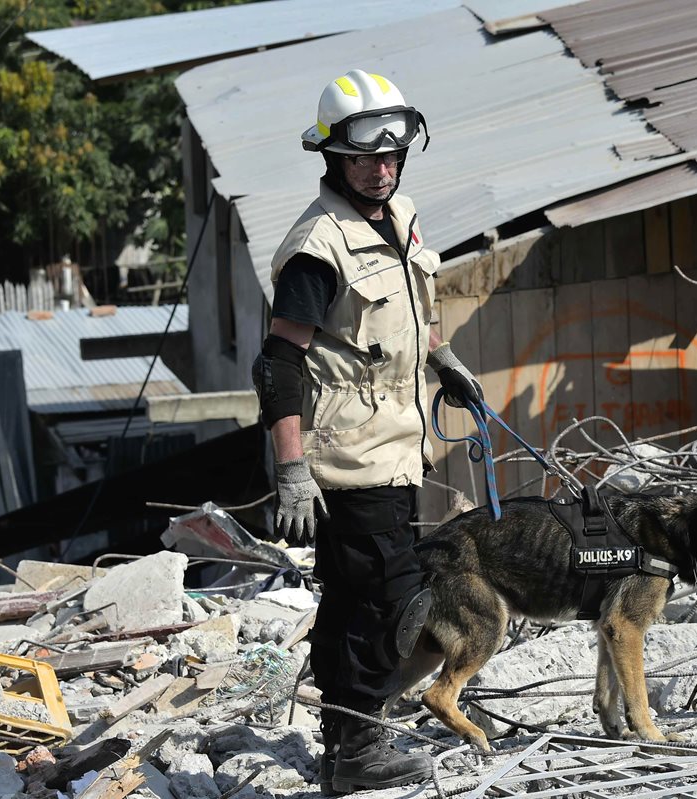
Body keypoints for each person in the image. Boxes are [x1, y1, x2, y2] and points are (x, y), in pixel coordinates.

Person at [251, 69, 483, 794]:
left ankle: (351, 741)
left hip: (399, 448)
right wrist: (291, 468)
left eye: (389, 157)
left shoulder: (400, 214)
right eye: (363, 159)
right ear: (333, 159)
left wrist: (441, 354)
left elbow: (417, 303)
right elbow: (278, 364)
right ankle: (357, 747)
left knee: (363, 598)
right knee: (386, 597)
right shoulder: (319, 246)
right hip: (347, 459)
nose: (380, 170)